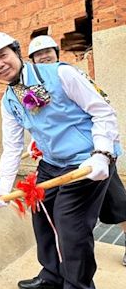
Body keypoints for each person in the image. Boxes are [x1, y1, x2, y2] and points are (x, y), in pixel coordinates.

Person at [0, 32, 119, 289]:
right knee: (41, 218)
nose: (0, 64)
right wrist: (4, 186)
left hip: (86, 161)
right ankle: (53, 275)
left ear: (17, 53)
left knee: (71, 225)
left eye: (3, 55)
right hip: (52, 163)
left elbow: (103, 111)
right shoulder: (9, 100)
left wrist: (102, 153)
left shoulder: (61, 74)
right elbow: (12, 145)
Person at [29, 35, 126, 267]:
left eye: (48, 52)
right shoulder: (34, 87)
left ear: (56, 53)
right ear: (31, 60)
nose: (44, 57)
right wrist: (39, 145)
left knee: (118, 204)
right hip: (69, 159)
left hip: (95, 153)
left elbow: (101, 110)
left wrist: (103, 151)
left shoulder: (69, 75)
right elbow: (47, 122)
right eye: (38, 55)